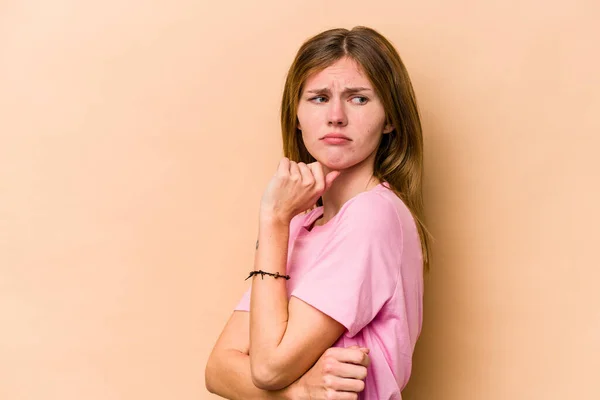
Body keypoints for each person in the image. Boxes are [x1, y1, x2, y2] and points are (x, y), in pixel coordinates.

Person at [205, 26, 431, 400]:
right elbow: (218, 369)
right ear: (296, 116)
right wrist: (298, 393)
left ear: (390, 119)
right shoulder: (303, 224)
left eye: (358, 99)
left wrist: (273, 220)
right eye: (319, 98)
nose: (336, 116)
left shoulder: (372, 216)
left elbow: (267, 367)